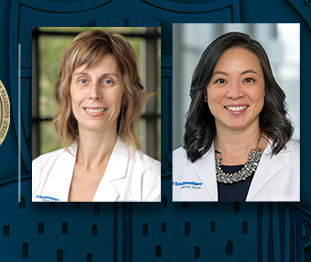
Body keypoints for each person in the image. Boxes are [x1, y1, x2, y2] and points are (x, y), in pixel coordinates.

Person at [32, 29, 161, 202]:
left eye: (108, 81)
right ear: (67, 91)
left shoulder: (153, 180)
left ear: (125, 93)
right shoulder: (38, 171)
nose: (94, 94)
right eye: (83, 80)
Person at [173, 32, 299, 202]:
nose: (234, 94)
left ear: (265, 89)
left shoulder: (301, 163)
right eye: (221, 81)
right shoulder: (174, 166)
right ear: (204, 92)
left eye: (248, 80)